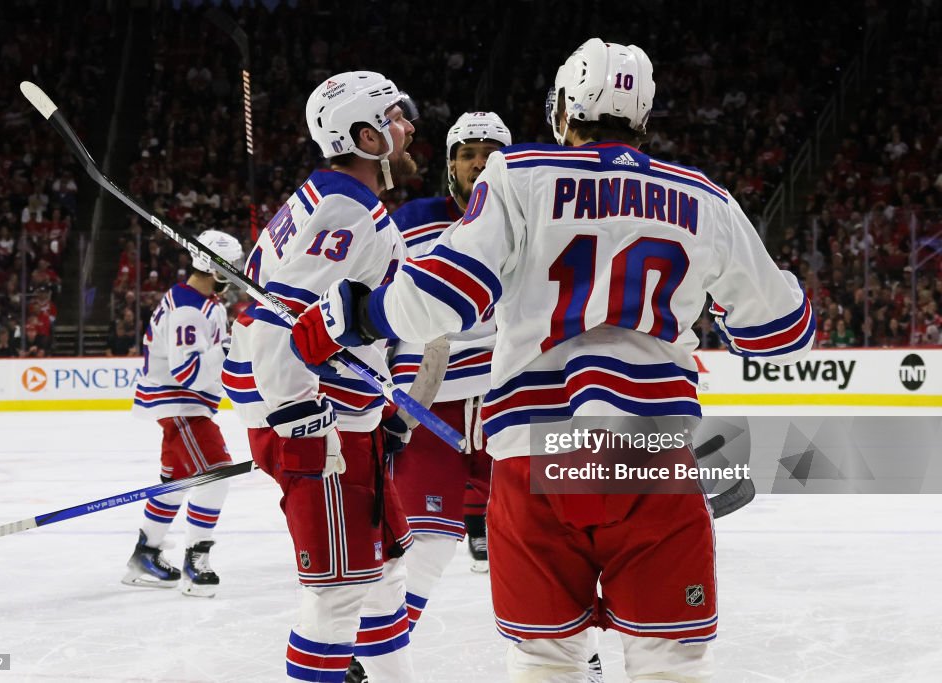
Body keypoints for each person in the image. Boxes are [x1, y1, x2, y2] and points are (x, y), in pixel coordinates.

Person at [291, 38, 816, 682]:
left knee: (545, 659)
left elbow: (444, 296)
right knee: (668, 663)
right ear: (643, 118)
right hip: (652, 460)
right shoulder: (704, 197)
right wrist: (763, 289)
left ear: (565, 109)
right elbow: (781, 334)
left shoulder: (519, 175)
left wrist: (350, 315)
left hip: (533, 458)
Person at [223, 71, 419, 683]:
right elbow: (277, 323)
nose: (408, 128)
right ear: (366, 136)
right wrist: (301, 423)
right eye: (394, 119)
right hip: (321, 426)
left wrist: (376, 407)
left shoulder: (333, 199)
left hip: (347, 416)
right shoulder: (342, 208)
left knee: (385, 576)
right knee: (337, 594)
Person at [388, 112, 510, 620]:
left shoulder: (531, 218)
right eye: (467, 154)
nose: (478, 164)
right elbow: (381, 299)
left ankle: (576, 658)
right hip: (427, 402)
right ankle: (375, 657)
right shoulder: (413, 219)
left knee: (543, 542)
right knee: (422, 548)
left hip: (509, 399)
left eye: (490, 154)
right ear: (451, 165)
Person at [123, 229, 243, 598]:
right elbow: (187, 373)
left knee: (175, 482)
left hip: (184, 405)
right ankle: (197, 559)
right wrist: (231, 345)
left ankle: (145, 554)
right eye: (230, 265)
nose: (235, 272)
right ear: (213, 266)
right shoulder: (188, 309)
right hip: (180, 405)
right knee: (217, 472)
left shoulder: (202, 302)